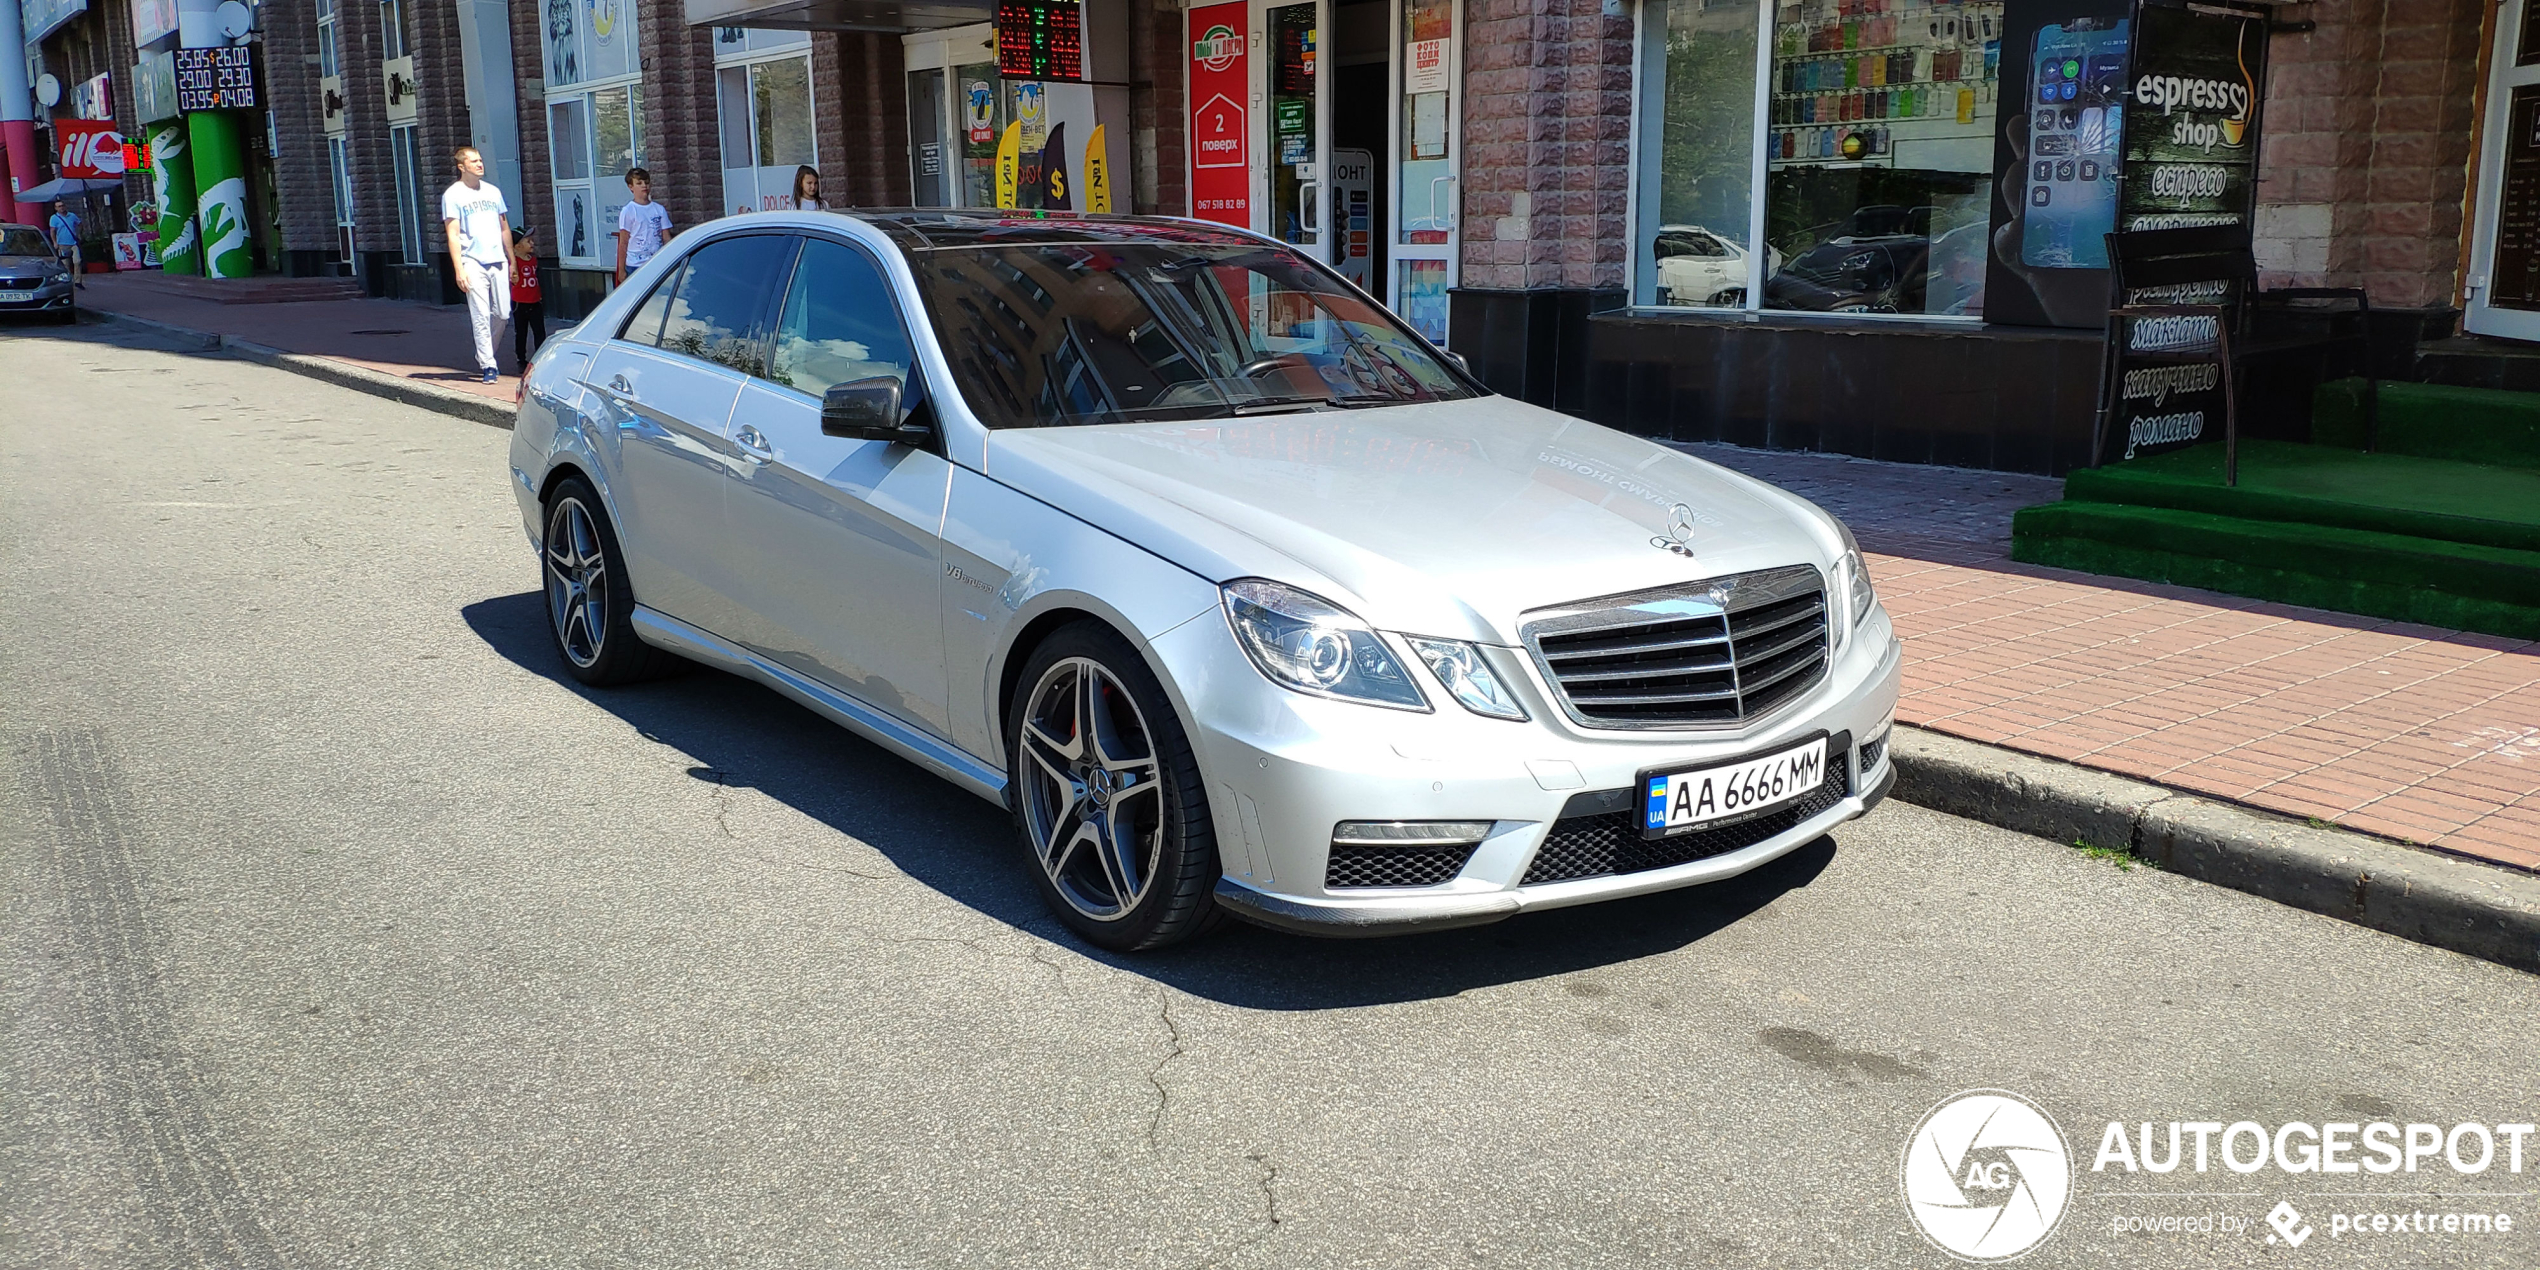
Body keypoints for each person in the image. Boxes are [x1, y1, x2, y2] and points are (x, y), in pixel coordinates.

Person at [441, 146, 513, 385]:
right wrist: (459, 268)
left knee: (502, 313)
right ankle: (488, 364)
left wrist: (511, 259)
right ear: (462, 167)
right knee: (481, 315)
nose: (480, 164)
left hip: (498, 260)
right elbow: (452, 234)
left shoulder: (493, 192)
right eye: (474, 161)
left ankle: (485, 351)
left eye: (481, 160)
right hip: (472, 260)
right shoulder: (453, 195)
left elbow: (504, 227)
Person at [614, 167, 673, 286]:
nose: (644, 186)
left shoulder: (659, 209)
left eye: (646, 182)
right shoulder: (628, 210)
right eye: (639, 183)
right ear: (631, 187)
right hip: (635, 265)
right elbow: (624, 242)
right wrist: (621, 269)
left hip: (656, 263)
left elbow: (666, 238)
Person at [510, 226, 547, 370]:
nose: (532, 243)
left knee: (539, 331)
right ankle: (521, 359)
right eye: (528, 241)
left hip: (535, 301)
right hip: (520, 303)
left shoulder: (534, 260)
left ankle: (540, 356)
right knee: (521, 332)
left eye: (532, 241)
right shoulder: (513, 263)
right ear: (517, 246)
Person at [47, 202, 84, 288]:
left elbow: (80, 224)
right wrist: (55, 242)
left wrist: (79, 234)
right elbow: (52, 231)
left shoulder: (72, 216)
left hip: (74, 243)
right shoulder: (54, 218)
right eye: (59, 206)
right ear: (56, 208)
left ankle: (78, 281)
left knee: (77, 261)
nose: (62, 208)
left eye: (63, 205)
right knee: (65, 265)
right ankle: (68, 282)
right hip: (62, 244)